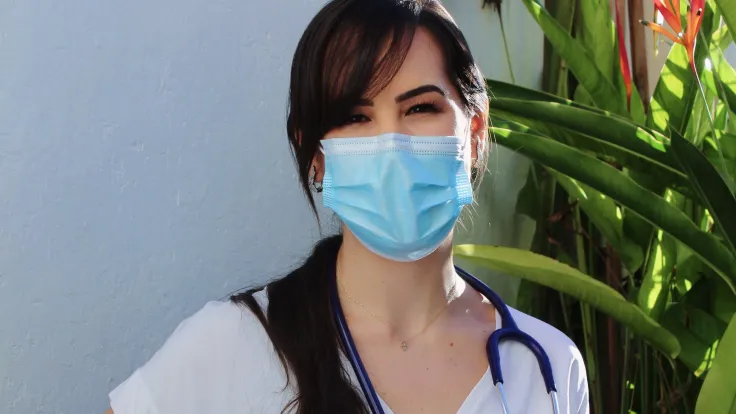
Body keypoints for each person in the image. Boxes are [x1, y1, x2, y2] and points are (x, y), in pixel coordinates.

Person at [106, 0, 589, 413]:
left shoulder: (547, 367)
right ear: (316, 156)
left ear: (475, 133)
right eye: (355, 117)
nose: (391, 144)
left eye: (421, 108)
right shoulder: (233, 342)